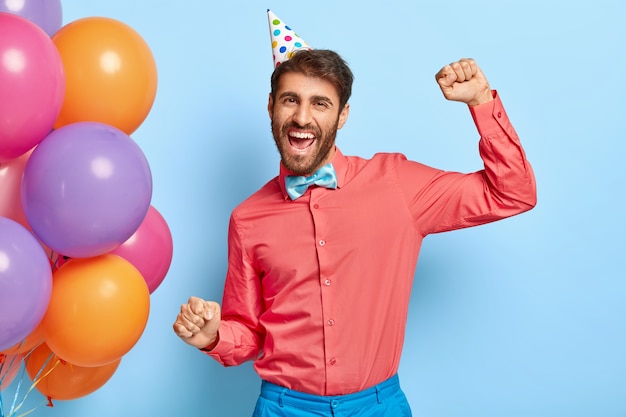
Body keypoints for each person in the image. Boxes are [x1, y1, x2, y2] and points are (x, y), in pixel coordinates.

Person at [173, 12, 536, 417]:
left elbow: (512, 193)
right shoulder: (247, 218)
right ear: (272, 106)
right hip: (283, 407)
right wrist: (212, 336)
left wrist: (481, 103)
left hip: (379, 405)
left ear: (342, 115)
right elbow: (249, 332)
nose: (303, 117)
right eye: (291, 99)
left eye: (320, 103)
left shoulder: (397, 184)